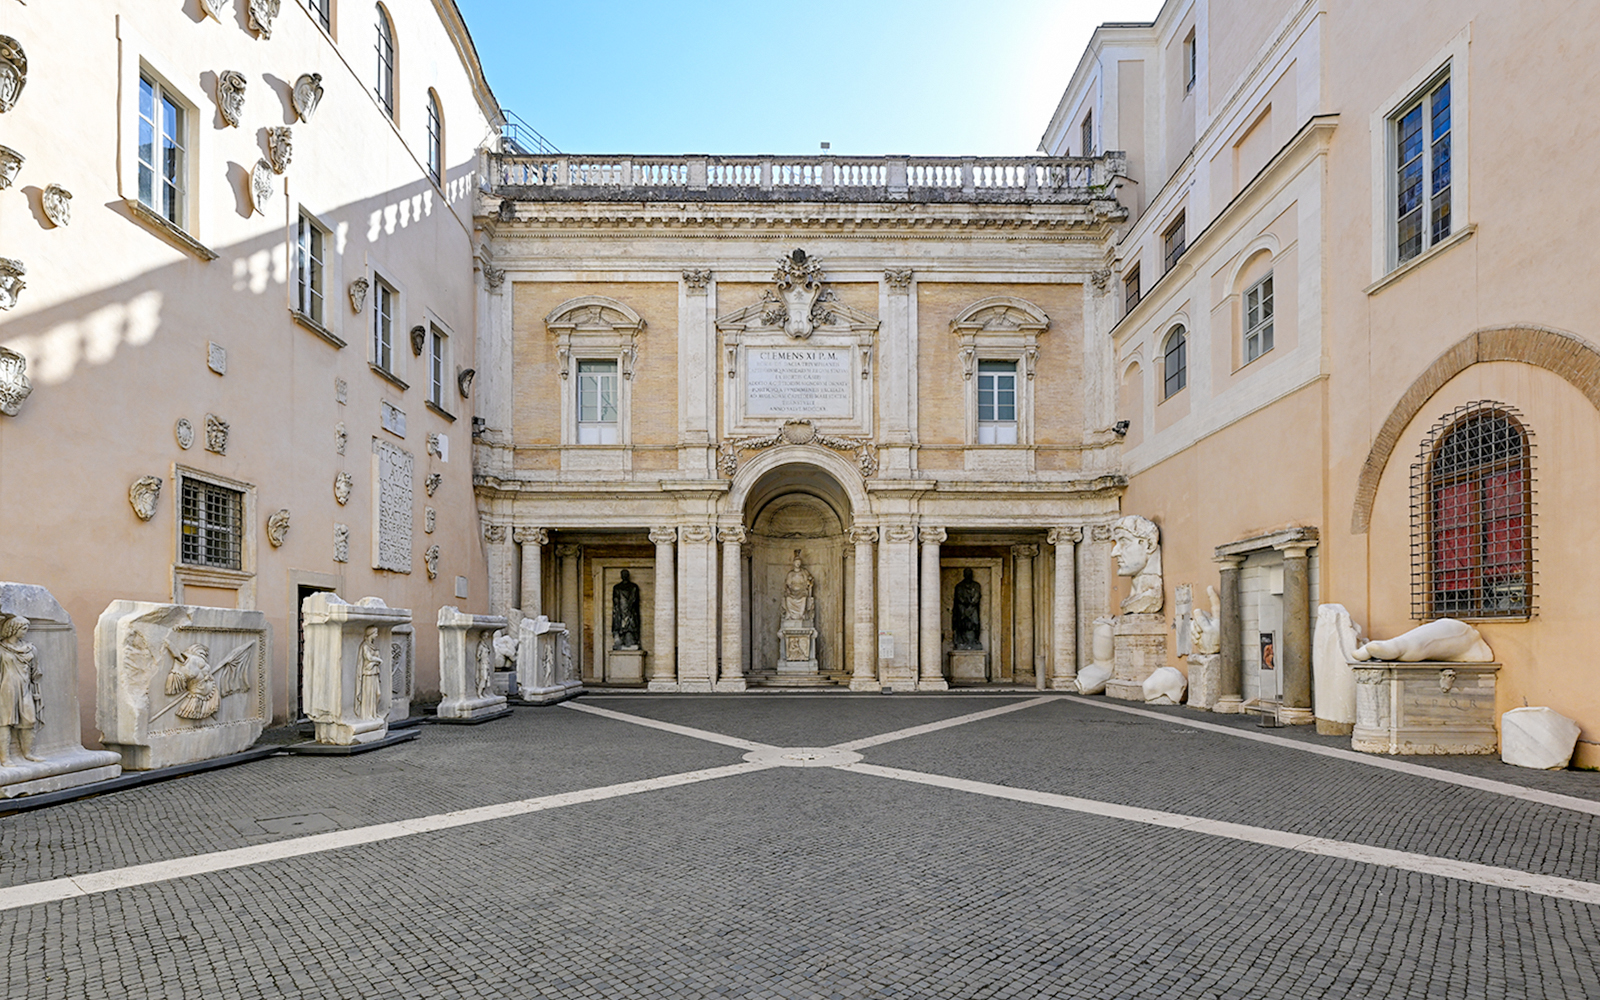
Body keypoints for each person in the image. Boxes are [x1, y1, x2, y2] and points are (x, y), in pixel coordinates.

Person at [0, 614, 43, 764]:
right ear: (14, 628)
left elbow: (35, 672)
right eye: (23, 628)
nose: (26, 631)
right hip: (7, 689)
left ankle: (27, 753)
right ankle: (5, 758)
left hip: (25, 688)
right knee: (5, 722)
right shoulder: (1, 649)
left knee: (29, 720)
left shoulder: (30, 649)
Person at [356, 626, 383, 720]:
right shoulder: (365, 646)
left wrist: (374, 662)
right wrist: (378, 660)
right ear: (370, 634)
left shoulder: (374, 646)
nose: (377, 635)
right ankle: (367, 715)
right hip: (367, 673)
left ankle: (374, 712)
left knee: (377, 694)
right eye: (375, 633)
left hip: (375, 672)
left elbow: (372, 660)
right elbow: (369, 658)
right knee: (368, 694)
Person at [952, 569, 983, 649]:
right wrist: (965, 604)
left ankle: (974, 641)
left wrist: (971, 604)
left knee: (975, 623)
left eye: (970, 574)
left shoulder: (976, 585)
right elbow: (958, 597)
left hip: (973, 608)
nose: (968, 575)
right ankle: (962, 641)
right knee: (962, 624)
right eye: (967, 574)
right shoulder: (959, 586)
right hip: (962, 608)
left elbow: (977, 596)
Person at [611, 570, 642, 650]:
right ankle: (622, 642)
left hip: (628, 612)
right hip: (623, 612)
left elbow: (634, 600)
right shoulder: (617, 587)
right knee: (622, 627)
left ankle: (629, 642)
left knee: (629, 629)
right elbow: (616, 601)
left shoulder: (633, 587)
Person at [783, 553, 815, 624]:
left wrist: (809, 581)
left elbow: (809, 581)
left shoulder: (804, 572)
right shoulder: (790, 574)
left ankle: (801, 616)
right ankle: (791, 616)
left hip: (802, 591)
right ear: (794, 563)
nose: (798, 564)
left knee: (804, 598)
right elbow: (787, 584)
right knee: (788, 598)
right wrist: (788, 589)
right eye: (797, 562)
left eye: (799, 563)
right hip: (792, 591)